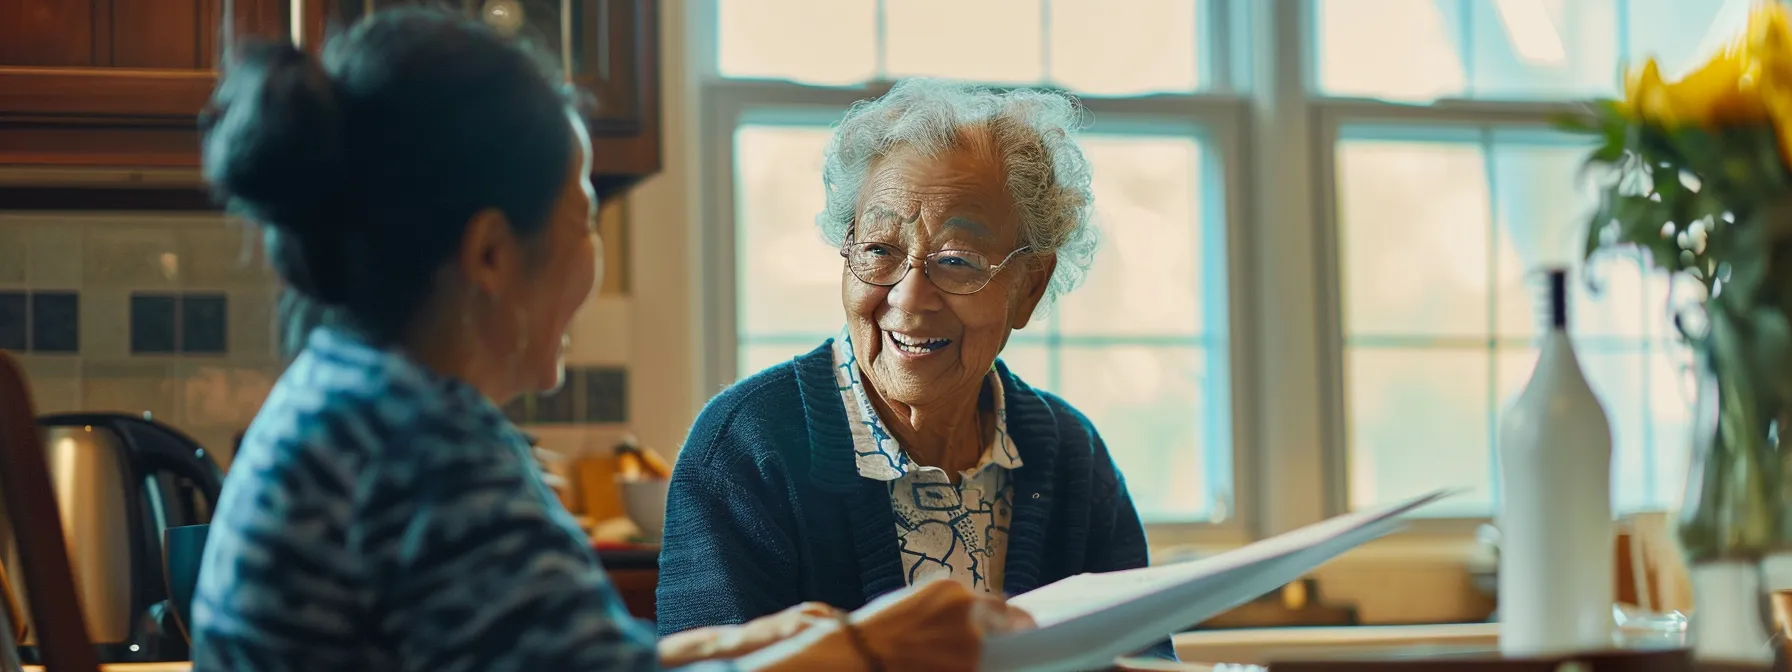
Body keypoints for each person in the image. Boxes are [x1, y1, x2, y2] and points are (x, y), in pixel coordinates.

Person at [186, 10, 1028, 672]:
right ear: (489, 255)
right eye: (585, 221)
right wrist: (873, 649)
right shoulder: (422, 451)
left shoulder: (358, 403)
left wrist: (744, 644)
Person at [656, 79, 1174, 659]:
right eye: (879, 250)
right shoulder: (745, 447)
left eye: (956, 261)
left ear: (1029, 287)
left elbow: (1143, 660)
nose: (908, 298)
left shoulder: (1073, 458)